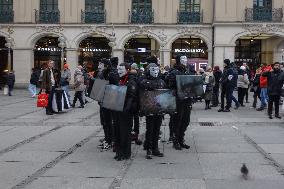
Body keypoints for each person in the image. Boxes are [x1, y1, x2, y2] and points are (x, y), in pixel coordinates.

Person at [140, 63, 166, 159]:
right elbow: (142, 96)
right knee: (150, 129)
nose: (155, 72)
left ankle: (155, 148)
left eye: (156, 69)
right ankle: (149, 149)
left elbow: (164, 95)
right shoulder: (144, 82)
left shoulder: (161, 82)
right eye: (152, 70)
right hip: (149, 109)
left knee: (157, 129)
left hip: (158, 109)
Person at [114, 63, 139, 161]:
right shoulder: (119, 80)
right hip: (117, 110)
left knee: (125, 133)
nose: (119, 71)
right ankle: (119, 152)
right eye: (118, 69)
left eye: (121, 69)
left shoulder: (131, 81)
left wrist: (126, 109)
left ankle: (125, 153)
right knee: (117, 132)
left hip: (126, 112)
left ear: (127, 70)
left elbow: (132, 97)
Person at [167, 55, 191, 150]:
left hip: (187, 100)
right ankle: (176, 140)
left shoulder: (187, 71)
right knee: (177, 121)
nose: (185, 60)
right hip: (178, 100)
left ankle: (181, 139)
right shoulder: (173, 72)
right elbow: (170, 85)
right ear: (178, 61)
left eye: (186, 58)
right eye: (183, 59)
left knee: (186, 120)